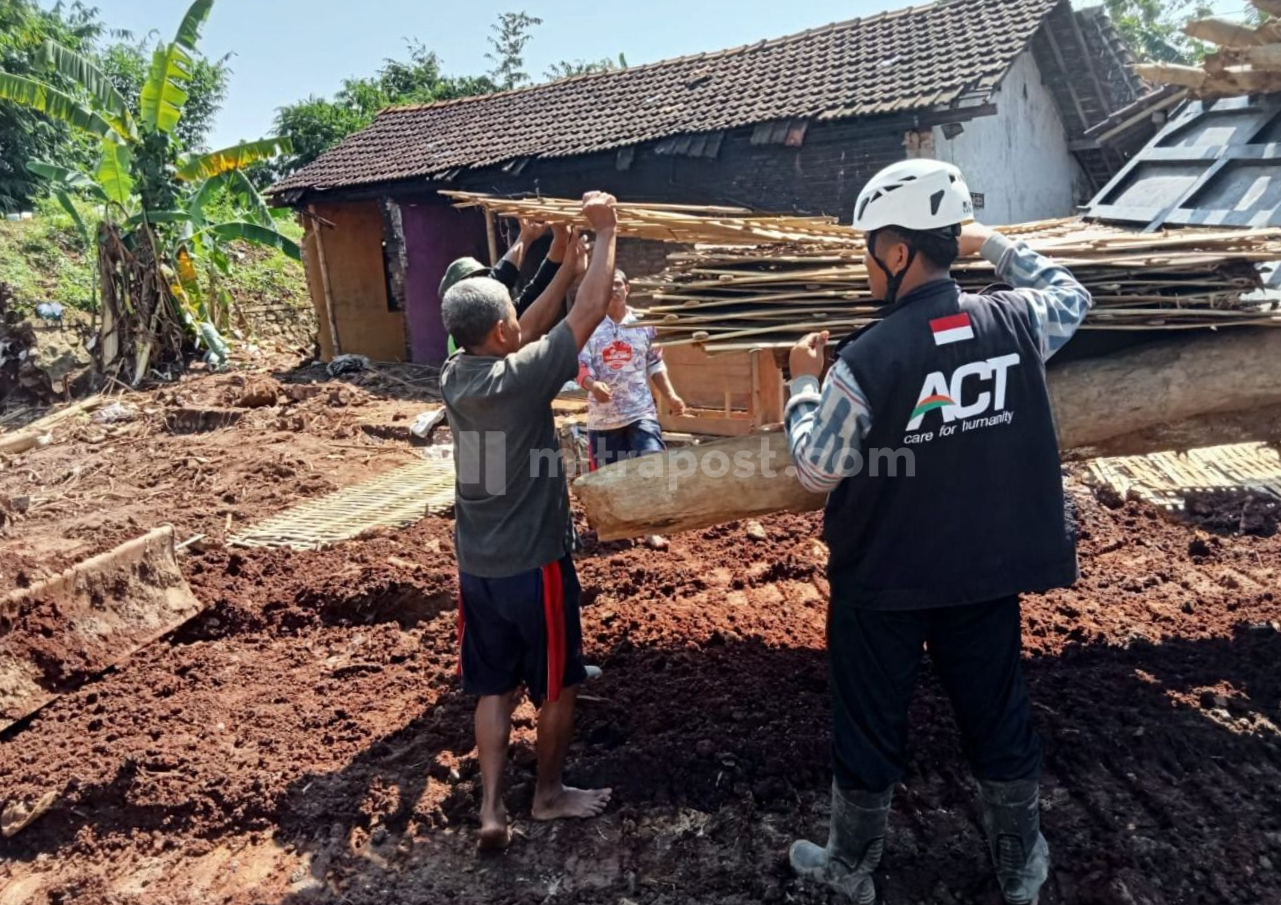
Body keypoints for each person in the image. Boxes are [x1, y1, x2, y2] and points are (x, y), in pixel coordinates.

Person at [784, 160, 1092, 905]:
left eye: (868, 249)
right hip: (982, 569)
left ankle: (849, 868)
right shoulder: (1013, 321)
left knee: (868, 723)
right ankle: (1019, 866)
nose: (864, 265)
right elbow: (1074, 296)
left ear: (895, 253)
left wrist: (799, 385)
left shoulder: (865, 359)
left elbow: (814, 471)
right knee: (996, 709)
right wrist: (995, 245)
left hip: (883, 578)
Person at [439, 191, 621, 852]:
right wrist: (603, 236)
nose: (520, 324)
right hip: (531, 566)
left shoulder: (455, 373)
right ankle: (546, 794)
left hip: (476, 568)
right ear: (504, 336)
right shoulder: (520, 381)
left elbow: (529, 325)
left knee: (492, 686)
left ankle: (491, 807)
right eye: (512, 321)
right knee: (557, 684)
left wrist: (561, 257)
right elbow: (585, 314)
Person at [440, 221, 572, 354]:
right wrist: (568, 270)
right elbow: (531, 328)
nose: (485, 287)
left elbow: (535, 289)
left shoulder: (496, 316)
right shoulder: (467, 337)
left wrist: (531, 238)